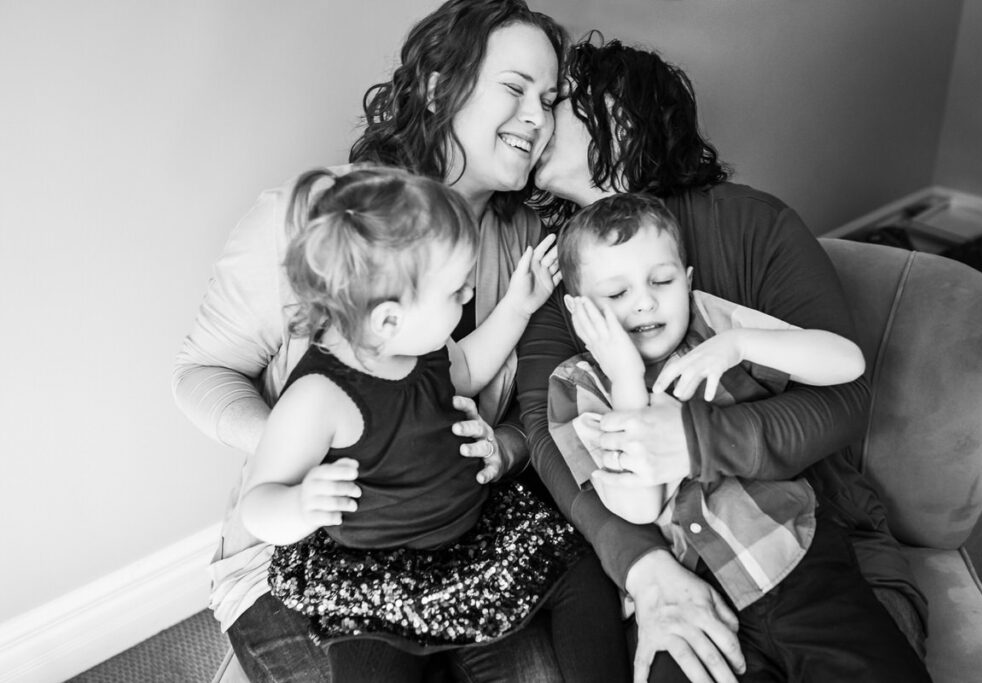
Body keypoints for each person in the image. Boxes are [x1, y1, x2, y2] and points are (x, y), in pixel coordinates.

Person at [171, 2, 627, 681]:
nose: (538, 116)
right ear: (441, 87)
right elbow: (200, 372)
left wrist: (502, 446)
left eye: (549, 98)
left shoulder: (530, 248)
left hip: (463, 532)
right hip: (312, 550)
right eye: (515, 88)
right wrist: (304, 448)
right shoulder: (313, 230)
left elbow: (539, 399)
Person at [518, 38, 929, 683]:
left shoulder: (752, 224)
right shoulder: (564, 272)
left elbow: (847, 395)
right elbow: (546, 432)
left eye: (555, 101)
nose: (536, 118)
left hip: (807, 543)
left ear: (616, 118)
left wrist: (691, 441)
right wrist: (644, 569)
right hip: (674, 556)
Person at [238, 165, 628, 683]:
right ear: (388, 320)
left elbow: (465, 370)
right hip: (377, 571)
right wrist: (297, 504)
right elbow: (257, 504)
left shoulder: (422, 346)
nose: (467, 298)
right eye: (456, 292)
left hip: (477, 530)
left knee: (582, 575)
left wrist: (518, 305)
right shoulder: (317, 398)